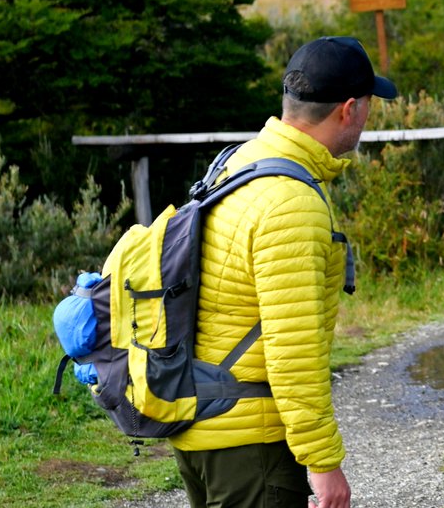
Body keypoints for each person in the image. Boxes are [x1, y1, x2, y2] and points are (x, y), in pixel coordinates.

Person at [170, 36, 398, 508]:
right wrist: (324, 464)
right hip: (250, 444)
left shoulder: (238, 161)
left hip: (203, 428)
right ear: (349, 109)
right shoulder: (291, 202)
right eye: (370, 105)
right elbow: (292, 351)